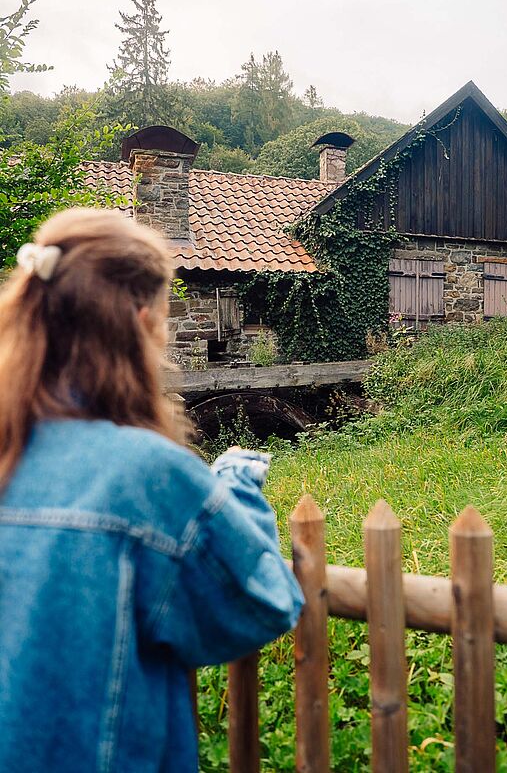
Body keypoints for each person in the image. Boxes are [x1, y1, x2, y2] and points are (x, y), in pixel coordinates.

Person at [0, 208, 304, 772]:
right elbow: (263, 602)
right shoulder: (145, 473)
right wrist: (236, 484)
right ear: (141, 321)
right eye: (164, 319)